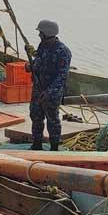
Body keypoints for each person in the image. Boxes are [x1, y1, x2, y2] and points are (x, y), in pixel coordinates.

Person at [26, 19, 71, 151]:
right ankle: (36, 144)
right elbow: (38, 61)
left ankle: (54, 147)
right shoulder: (42, 46)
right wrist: (30, 65)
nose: (39, 35)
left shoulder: (63, 51)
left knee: (52, 120)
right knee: (35, 116)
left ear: (47, 33)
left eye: (40, 33)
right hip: (38, 88)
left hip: (52, 93)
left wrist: (49, 92)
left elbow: (62, 76)